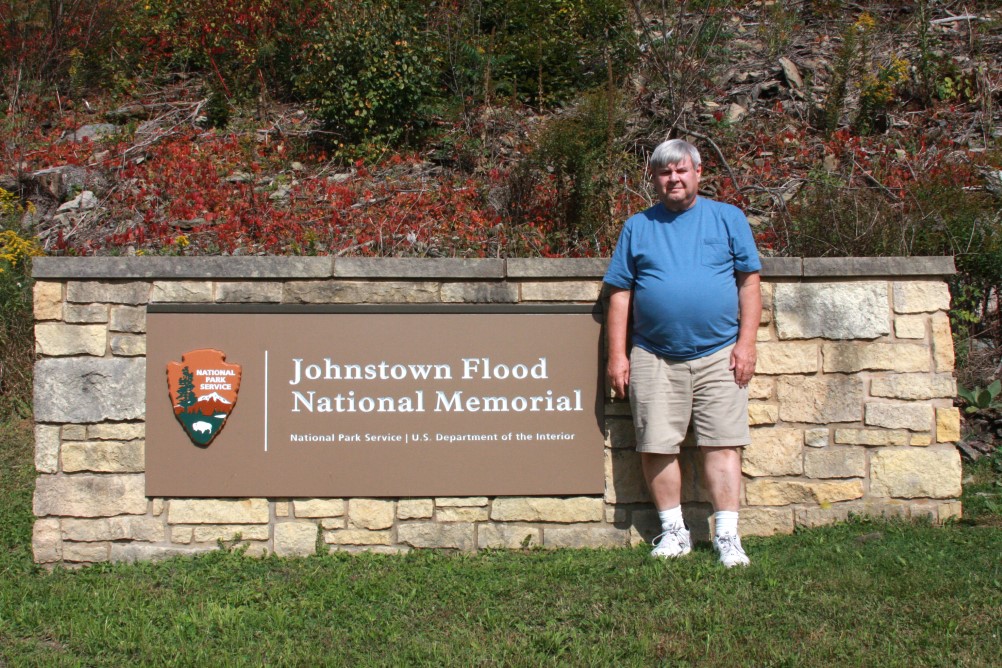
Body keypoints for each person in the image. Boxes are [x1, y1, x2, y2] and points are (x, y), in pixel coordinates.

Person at [603, 138, 762, 567]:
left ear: (697, 173)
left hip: (719, 352)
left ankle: (728, 537)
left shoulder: (728, 219)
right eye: (664, 172)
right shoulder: (638, 226)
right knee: (656, 445)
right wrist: (617, 356)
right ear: (655, 179)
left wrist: (746, 344)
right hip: (653, 354)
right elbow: (620, 293)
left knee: (722, 445)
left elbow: (749, 284)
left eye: (681, 170)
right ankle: (674, 533)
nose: (674, 178)